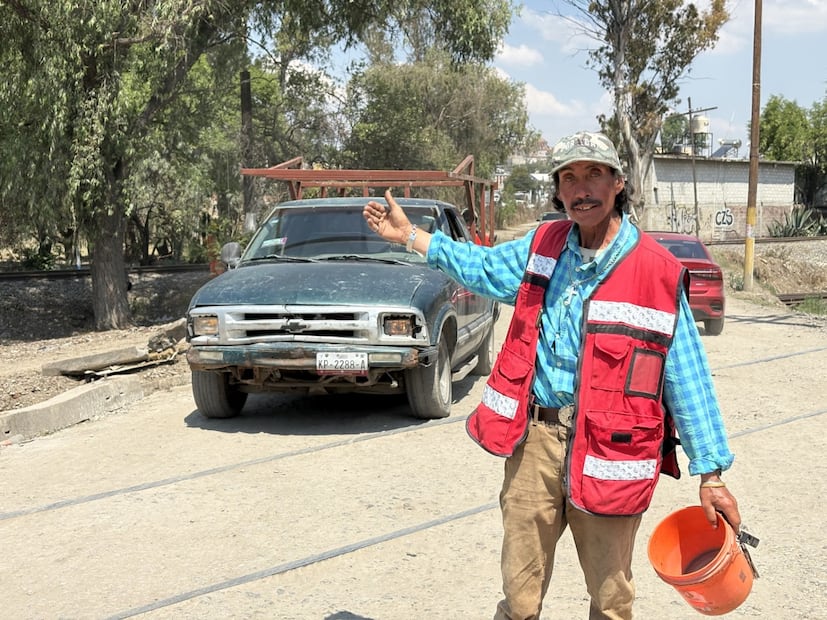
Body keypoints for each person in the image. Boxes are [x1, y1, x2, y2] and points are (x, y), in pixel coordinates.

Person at [363, 131, 741, 620]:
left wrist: (710, 472)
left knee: (611, 600)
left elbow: (686, 375)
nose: (581, 188)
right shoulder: (544, 245)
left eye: (593, 174)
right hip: (535, 440)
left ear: (618, 182)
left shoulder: (657, 272)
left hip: (611, 451)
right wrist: (411, 236)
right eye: (569, 177)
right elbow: (479, 266)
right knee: (519, 596)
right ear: (559, 191)